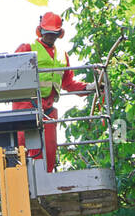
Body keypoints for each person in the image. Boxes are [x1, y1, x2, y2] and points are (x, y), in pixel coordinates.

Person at [13, 12, 88, 171]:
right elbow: (11, 75)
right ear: (41, 31)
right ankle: (20, 176)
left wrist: (89, 87)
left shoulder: (62, 56)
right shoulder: (27, 49)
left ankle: (45, 180)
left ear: (59, 34)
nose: (50, 37)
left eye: (53, 34)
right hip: (25, 107)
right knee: (22, 148)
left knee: (49, 150)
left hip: (47, 110)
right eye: (47, 33)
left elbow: (68, 83)